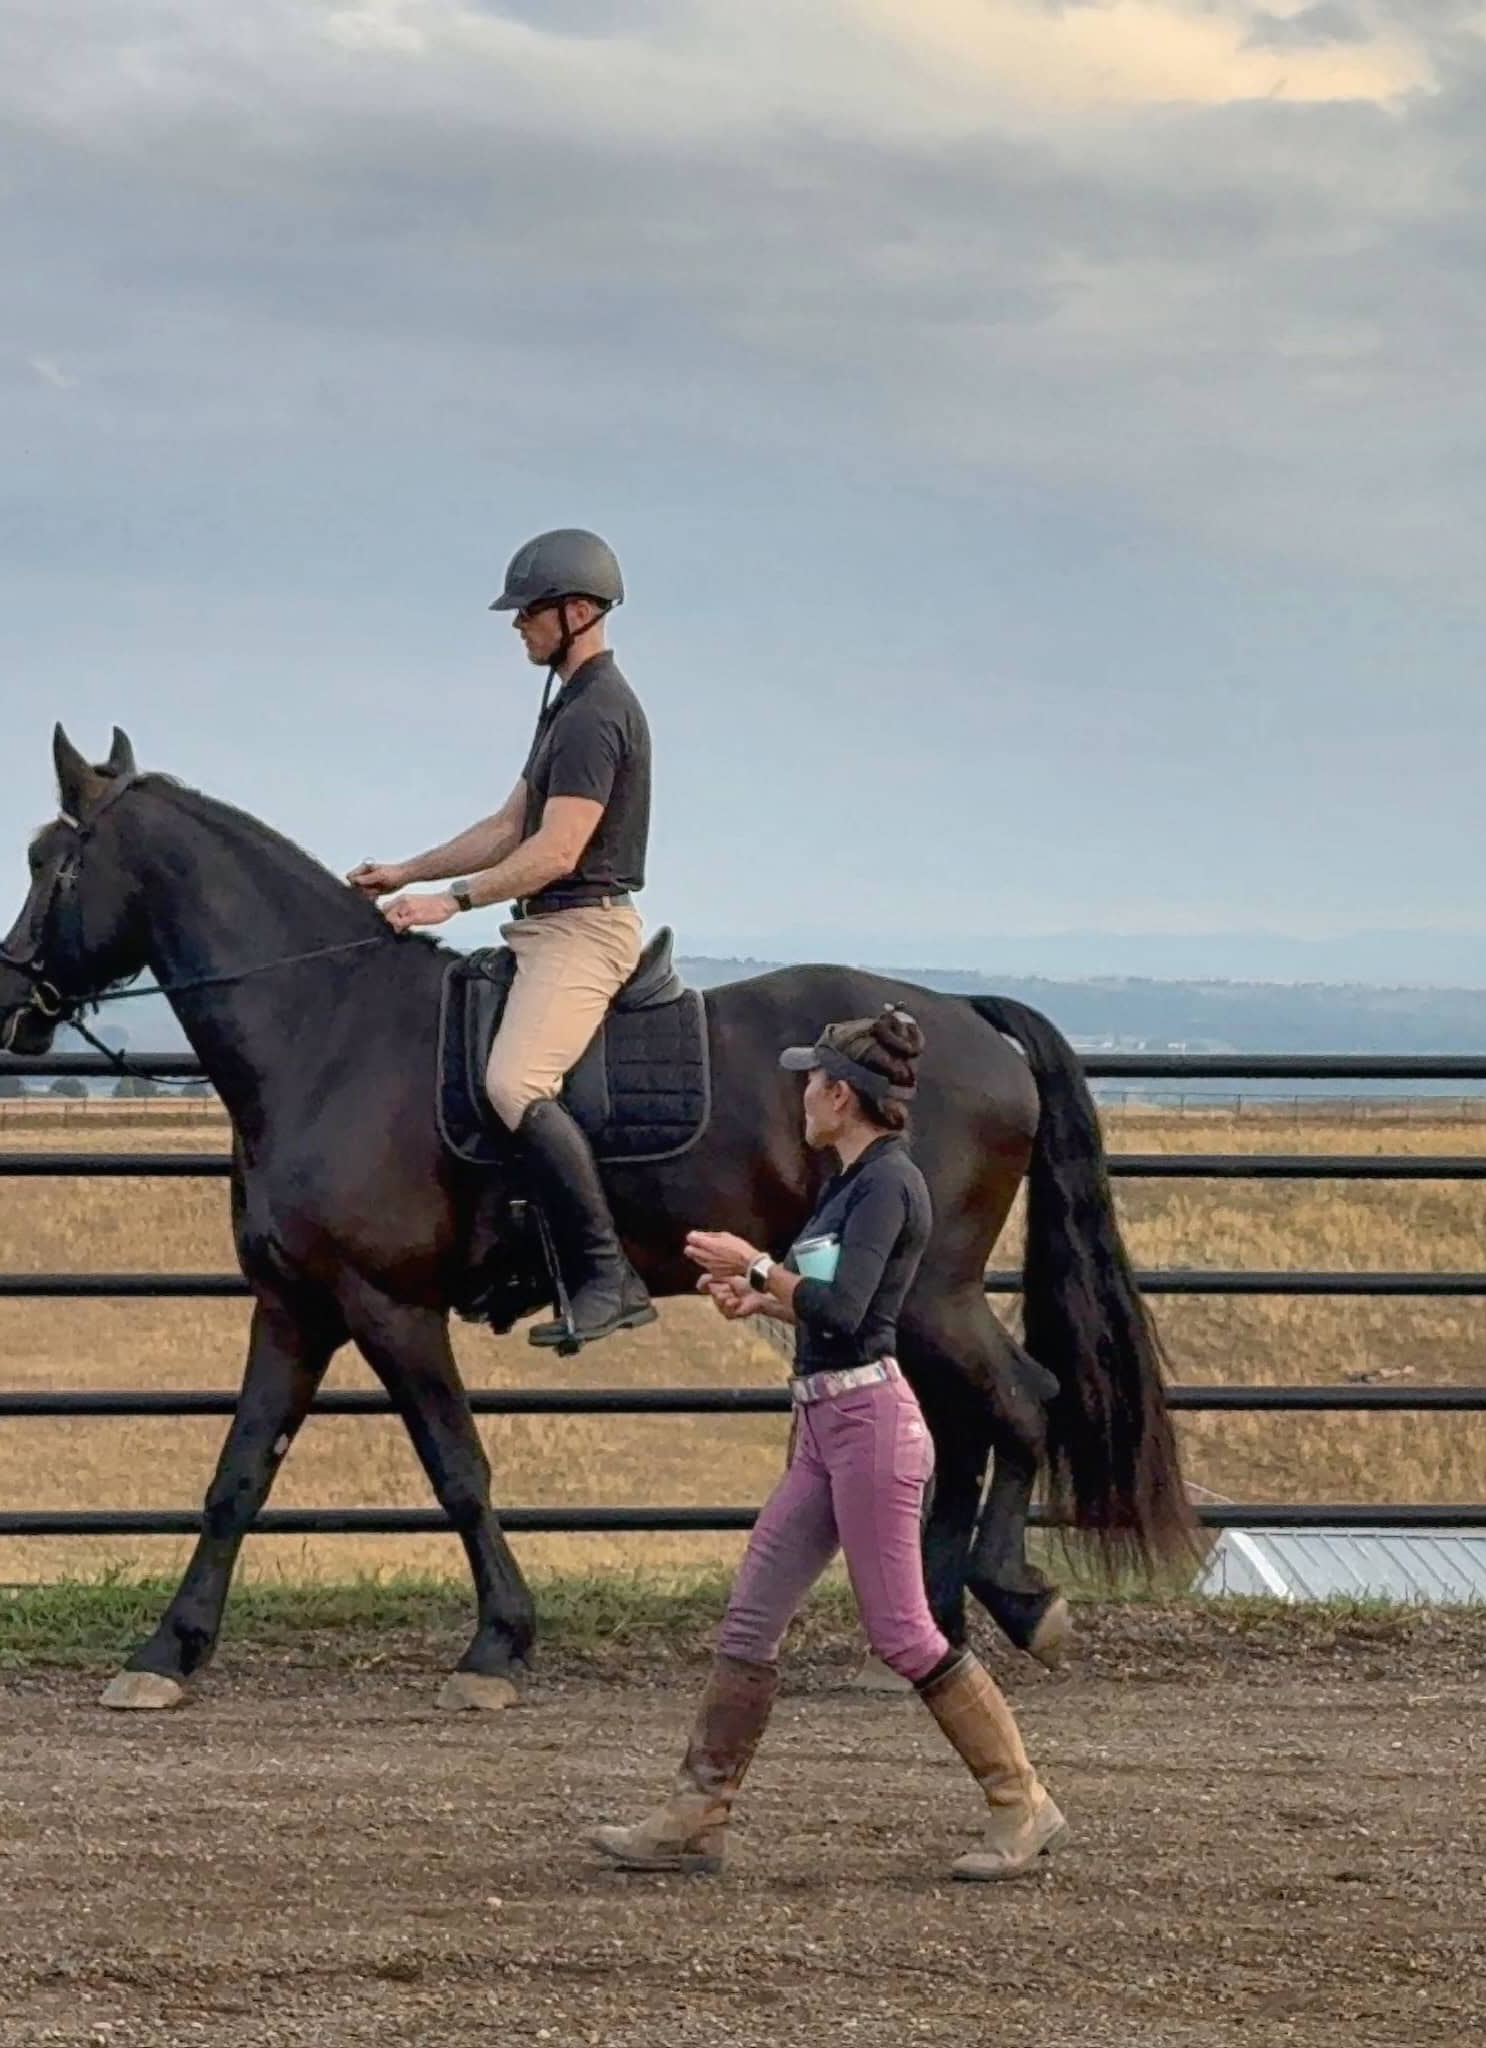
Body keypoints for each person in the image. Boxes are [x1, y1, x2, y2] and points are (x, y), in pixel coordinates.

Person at [588, 1008, 1066, 1882]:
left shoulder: (887, 1187)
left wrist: (757, 1266)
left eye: (810, 1080)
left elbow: (847, 1313)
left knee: (904, 1634)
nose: (801, 1093)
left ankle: (1021, 1800)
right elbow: (835, 1300)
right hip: (824, 1425)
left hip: (867, 1430)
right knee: (751, 1618)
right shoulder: (850, 1184)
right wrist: (759, 1296)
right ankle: (697, 1816)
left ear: (840, 1096)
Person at [348, 528, 656, 1347]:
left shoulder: (597, 714)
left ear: (577, 611)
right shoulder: (566, 707)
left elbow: (556, 852)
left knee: (515, 1084)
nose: (517, 624)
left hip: (582, 931)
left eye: (529, 611)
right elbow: (506, 827)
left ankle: (606, 1276)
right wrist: (407, 872)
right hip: (542, 930)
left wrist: (452, 902)